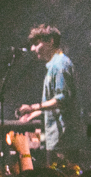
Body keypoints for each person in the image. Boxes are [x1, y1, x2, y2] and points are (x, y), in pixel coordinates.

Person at [16, 24, 84, 164]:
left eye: (36, 44)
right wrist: (35, 114)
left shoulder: (59, 65)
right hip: (59, 140)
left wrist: (33, 107)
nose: (32, 49)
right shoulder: (55, 65)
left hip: (64, 141)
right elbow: (59, 105)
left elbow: (61, 100)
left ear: (50, 41)